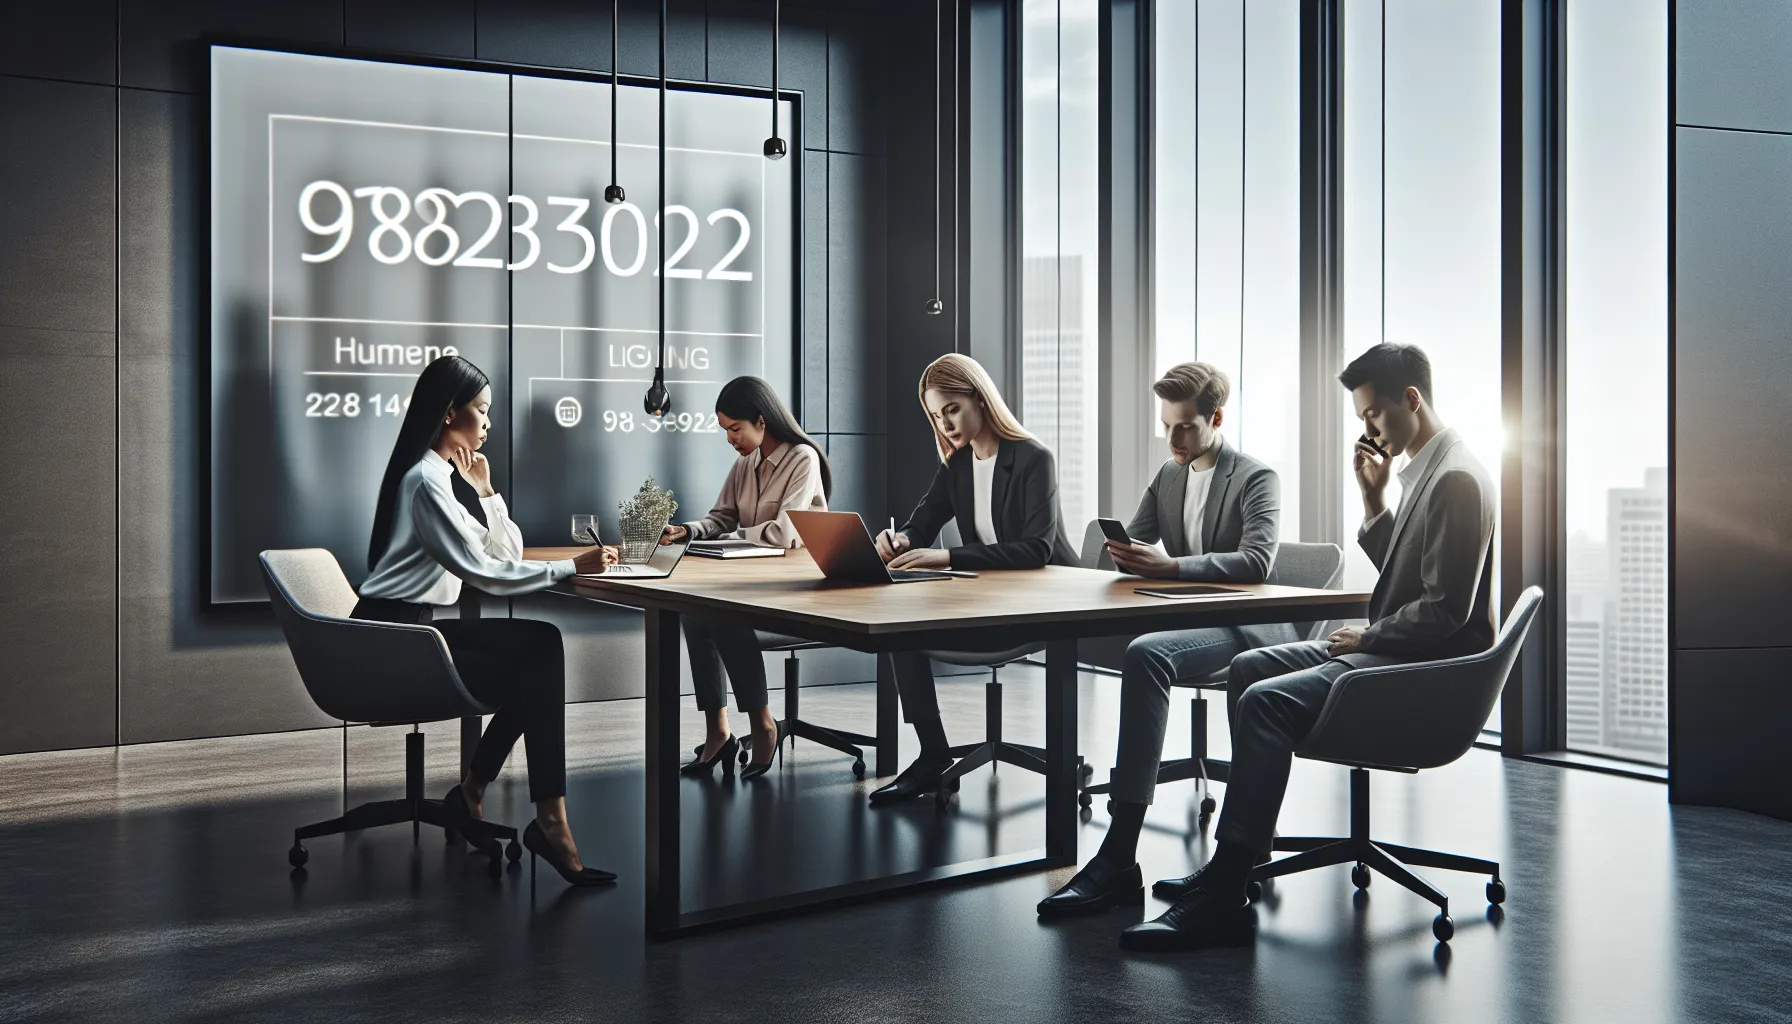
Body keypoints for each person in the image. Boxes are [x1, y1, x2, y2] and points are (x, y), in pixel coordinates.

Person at [1116, 342, 1496, 951]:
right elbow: (1412, 577)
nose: (1368, 430)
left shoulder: (1454, 478)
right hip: (1388, 652)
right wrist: (1374, 502)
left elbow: (1446, 610)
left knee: (1265, 703)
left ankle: (1224, 892)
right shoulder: (1431, 471)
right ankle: (1233, 864)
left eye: (1373, 414)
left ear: (1412, 399)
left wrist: (1368, 636)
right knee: (1248, 669)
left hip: (1417, 671)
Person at [1037, 361, 1295, 915]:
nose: (1173, 439)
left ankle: (1118, 854)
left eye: (1184, 427)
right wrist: (1127, 552)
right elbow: (1140, 540)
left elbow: (1256, 561)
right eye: (1166, 426)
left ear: (1216, 418)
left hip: (1239, 624)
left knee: (1147, 653)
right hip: (1181, 617)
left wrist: (1172, 568)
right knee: (1083, 639)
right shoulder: (1168, 476)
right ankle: (1117, 860)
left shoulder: (1255, 478)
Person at [356, 355, 621, 887]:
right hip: (392, 641)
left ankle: (491, 799)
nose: (489, 424)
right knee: (538, 662)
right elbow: (486, 573)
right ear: (451, 413)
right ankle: (532, 815)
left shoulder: (441, 475)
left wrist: (486, 493)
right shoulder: (425, 483)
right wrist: (573, 566)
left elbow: (503, 551)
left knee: (541, 650)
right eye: (482, 411)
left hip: (416, 631)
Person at [868, 353, 1079, 805]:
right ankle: (933, 755)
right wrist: (899, 540)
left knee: (909, 625)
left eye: (952, 409)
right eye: (935, 414)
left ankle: (939, 760)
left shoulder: (1034, 459)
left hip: (1043, 605)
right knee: (898, 628)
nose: (944, 423)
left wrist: (943, 557)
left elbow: (1036, 550)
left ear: (981, 400)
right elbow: (920, 524)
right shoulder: (958, 466)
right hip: (987, 600)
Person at [660, 376, 833, 781]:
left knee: (724, 616)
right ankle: (718, 732)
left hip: (797, 591)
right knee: (693, 611)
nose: (730, 439)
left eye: (735, 429)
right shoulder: (744, 465)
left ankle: (763, 724)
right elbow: (721, 518)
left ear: (761, 420)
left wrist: (734, 539)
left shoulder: (802, 459)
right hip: (753, 584)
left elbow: (786, 534)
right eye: (725, 431)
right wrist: (685, 531)